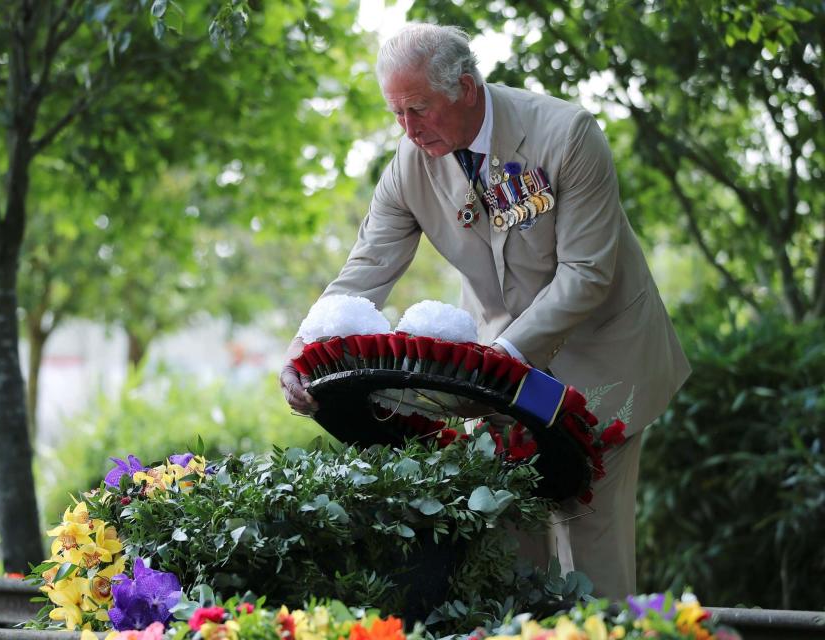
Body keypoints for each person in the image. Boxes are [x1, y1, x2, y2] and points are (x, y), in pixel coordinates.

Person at [279, 23, 690, 600]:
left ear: (467, 88)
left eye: (418, 109)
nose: (408, 129)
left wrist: (498, 365)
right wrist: (304, 352)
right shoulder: (409, 162)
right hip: (497, 379)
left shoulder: (567, 134)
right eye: (396, 113)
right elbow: (365, 270)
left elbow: (587, 275)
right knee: (509, 554)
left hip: (604, 363)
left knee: (590, 557)